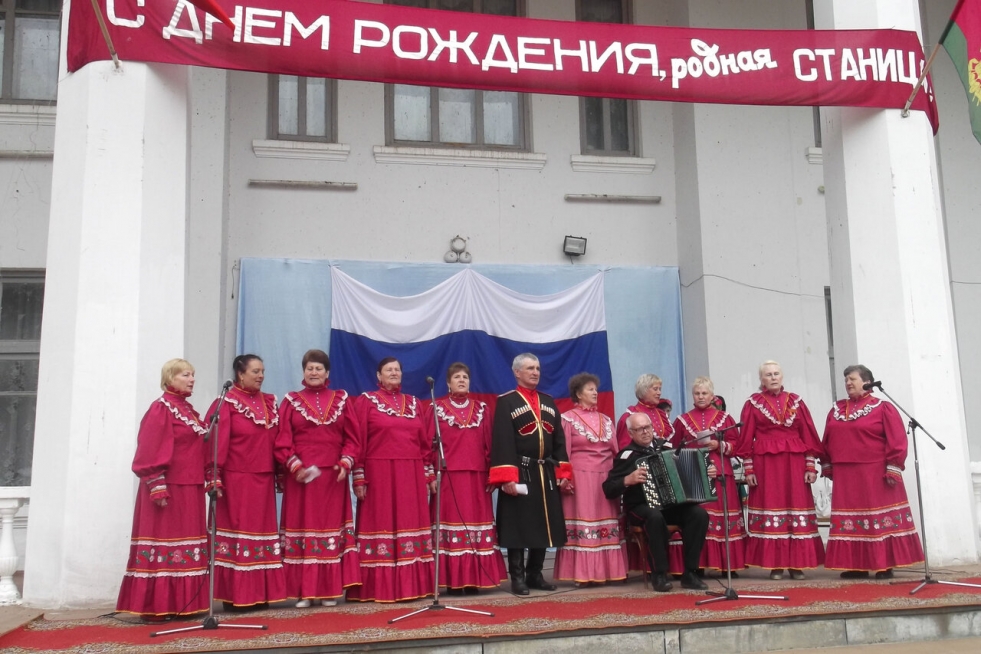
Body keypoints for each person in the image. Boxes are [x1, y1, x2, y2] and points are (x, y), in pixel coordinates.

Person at [116, 359, 209, 621]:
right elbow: (149, 447)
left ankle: (182, 604)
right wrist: (156, 484)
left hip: (190, 486)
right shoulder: (161, 409)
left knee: (185, 545)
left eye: (192, 374)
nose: (192, 379)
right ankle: (156, 606)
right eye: (185, 375)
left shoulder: (188, 410)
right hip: (168, 488)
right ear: (170, 378)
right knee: (164, 544)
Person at [345, 357, 435, 602]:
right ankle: (378, 588)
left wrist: (428, 473)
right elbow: (359, 440)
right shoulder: (366, 401)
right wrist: (359, 476)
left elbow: (424, 444)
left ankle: (413, 587)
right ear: (379, 376)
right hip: (379, 474)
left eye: (397, 370)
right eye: (389, 370)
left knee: (410, 523)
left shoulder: (414, 403)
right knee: (381, 523)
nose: (394, 373)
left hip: (411, 475)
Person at [821, 364, 924, 579]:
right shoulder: (837, 409)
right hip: (846, 474)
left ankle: (883, 564)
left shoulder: (882, 408)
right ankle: (855, 565)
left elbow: (897, 438)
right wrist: (827, 462)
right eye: (846, 380)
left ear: (867, 382)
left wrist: (894, 466)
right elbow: (828, 438)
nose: (848, 383)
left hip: (875, 472)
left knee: (876, 518)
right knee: (851, 519)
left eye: (852, 379)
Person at [275, 349, 361, 607]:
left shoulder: (341, 399)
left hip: (332, 477)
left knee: (329, 530)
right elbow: (282, 439)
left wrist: (345, 462)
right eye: (309, 368)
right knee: (304, 529)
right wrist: (295, 466)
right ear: (303, 371)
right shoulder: (291, 401)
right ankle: (305, 592)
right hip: (301, 478)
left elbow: (353, 438)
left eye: (318, 368)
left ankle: (328, 591)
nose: (314, 372)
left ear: (327, 372)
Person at [207, 354, 286, 609]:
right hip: (237, 480)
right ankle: (236, 596)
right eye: (255, 371)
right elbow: (217, 441)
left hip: (263, 478)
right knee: (240, 535)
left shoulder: (269, 402)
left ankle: (260, 593)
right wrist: (215, 476)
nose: (261, 375)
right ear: (240, 374)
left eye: (262, 371)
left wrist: (281, 470)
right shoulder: (227, 402)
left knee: (261, 534)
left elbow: (277, 440)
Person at [489, 353, 572, 595]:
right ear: (517, 372)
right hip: (520, 470)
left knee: (544, 523)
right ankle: (517, 577)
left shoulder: (548, 401)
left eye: (537, 368)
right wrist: (507, 478)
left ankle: (535, 574)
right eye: (530, 368)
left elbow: (559, 440)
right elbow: (502, 440)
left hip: (545, 471)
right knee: (518, 524)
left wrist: (562, 472)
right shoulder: (507, 402)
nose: (535, 372)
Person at [736, 360, 825, 580]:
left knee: (796, 508)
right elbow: (746, 439)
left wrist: (811, 466)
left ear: (782, 376)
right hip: (766, 465)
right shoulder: (753, 403)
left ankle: (797, 565)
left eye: (776, 373)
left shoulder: (796, 401)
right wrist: (749, 470)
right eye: (768, 374)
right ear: (761, 379)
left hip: (794, 463)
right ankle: (775, 564)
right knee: (771, 507)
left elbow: (808, 434)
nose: (773, 377)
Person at [603, 412, 710, 592]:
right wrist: (627, 479)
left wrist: (707, 471)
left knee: (699, 515)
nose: (645, 432)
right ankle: (659, 574)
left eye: (647, 427)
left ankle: (690, 573)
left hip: (670, 506)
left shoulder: (666, 447)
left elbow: (690, 469)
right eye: (639, 429)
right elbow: (608, 488)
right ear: (630, 433)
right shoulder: (627, 456)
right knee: (654, 517)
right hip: (640, 506)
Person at [429, 362, 507, 594]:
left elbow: (489, 443)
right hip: (448, 477)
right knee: (450, 525)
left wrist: (493, 474)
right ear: (448, 382)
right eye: (457, 377)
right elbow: (428, 443)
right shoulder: (436, 408)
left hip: (476, 477)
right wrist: (429, 473)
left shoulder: (482, 409)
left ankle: (475, 579)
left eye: (465, 377)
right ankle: (453, 581)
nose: (461, 380)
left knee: (476, 526)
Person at [553, 373, 627, 586]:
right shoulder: (567, 419)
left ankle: (609, 571)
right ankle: (583, 574)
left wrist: (619, 479)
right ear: (578, 393)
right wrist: (565, 478)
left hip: (605, 479)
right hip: (581, 478)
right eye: (590, 389)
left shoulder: (606, 420)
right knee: (585, 523)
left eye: (595, 389)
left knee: (608, 523)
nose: (595, 392)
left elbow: (616, 452)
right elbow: (563, 454)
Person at [671, 377, 747, 575]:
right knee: (700, 517)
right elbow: (675, 449)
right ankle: (698, 564)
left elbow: (737, 445)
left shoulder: (725, 418)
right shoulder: (682, 420)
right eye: (697, 393)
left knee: (724, 516)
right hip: (694, 474)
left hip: (721, 472)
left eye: (704, 393)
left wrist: (718, 445)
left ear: (712, 395)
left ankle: (728, 565)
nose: (701, 396)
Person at [616, 374, 674, 451]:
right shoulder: (631, 416)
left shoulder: (661, 414)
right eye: (655, 389)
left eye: (660, 389)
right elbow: (625, 447)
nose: (659, 393)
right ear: (644, 390)